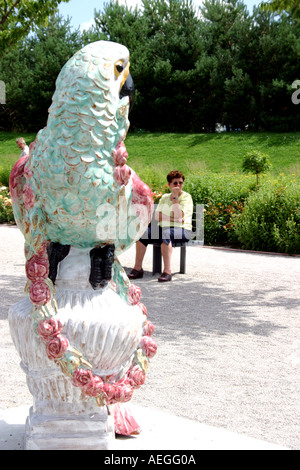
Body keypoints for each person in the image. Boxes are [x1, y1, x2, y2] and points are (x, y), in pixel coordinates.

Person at [128, 170, 193, 282]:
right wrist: (174, 219)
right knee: (143, 233)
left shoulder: (186, 197)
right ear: (169, 185)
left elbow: (179, 217)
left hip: (182, 230)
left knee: (166, 234)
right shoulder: (164, 197)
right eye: (175, 183)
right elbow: (158, 216)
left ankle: (167, 271)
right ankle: (138, 269)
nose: (178, 185)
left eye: (180, 183)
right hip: (164, 228)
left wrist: (176, 199)